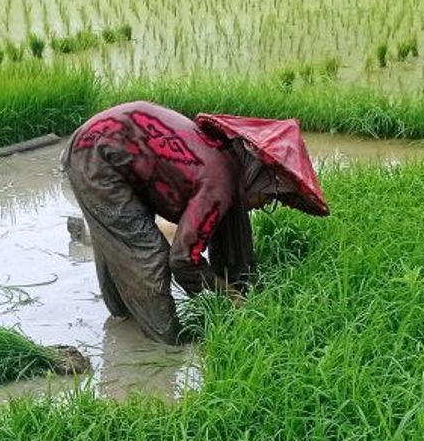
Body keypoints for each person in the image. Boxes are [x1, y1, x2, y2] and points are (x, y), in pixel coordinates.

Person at [63, 101, 330, 344]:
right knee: (149, 256)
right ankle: (164, 344)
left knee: (123, 242)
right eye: (268, 197)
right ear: (256, 177)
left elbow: (220, 231)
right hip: (96, 158)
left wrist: (238, 286)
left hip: (112, 148)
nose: (262, 205)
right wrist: (228, 295)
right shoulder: (219, 183)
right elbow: (182, 259)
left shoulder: (228, 159)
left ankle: (123, 317)